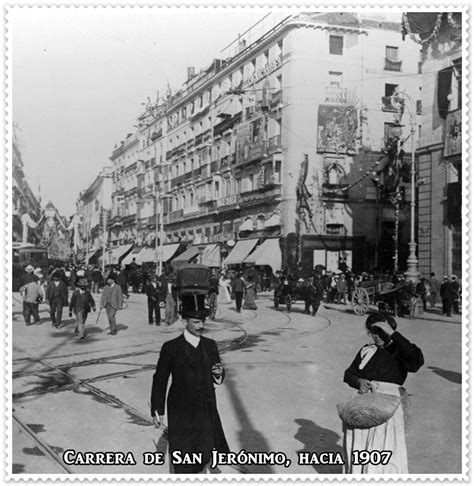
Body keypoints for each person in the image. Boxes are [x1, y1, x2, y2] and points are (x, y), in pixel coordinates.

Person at [150, 294, 229, 473]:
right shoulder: (171, 347)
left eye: (202, 321)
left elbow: (218, 374)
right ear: (185, 321)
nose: (200, 326)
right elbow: (160, 379)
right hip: (181, 409)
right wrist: (157, 409)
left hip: (205, 406)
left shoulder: (210, 345)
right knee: (184, 458)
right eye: (195, 322)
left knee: (205, 452)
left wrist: (219, 374)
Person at [342, 312, 424, 473]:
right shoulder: (367, 350)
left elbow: (416, 361)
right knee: (361, 444)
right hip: (363, 406)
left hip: (388, 406)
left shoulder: (399, 350)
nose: (376, 336)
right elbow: (348, 374)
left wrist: (393, 334)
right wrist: (358, 381)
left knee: (384, 446)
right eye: (373, 332)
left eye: (381, 332)